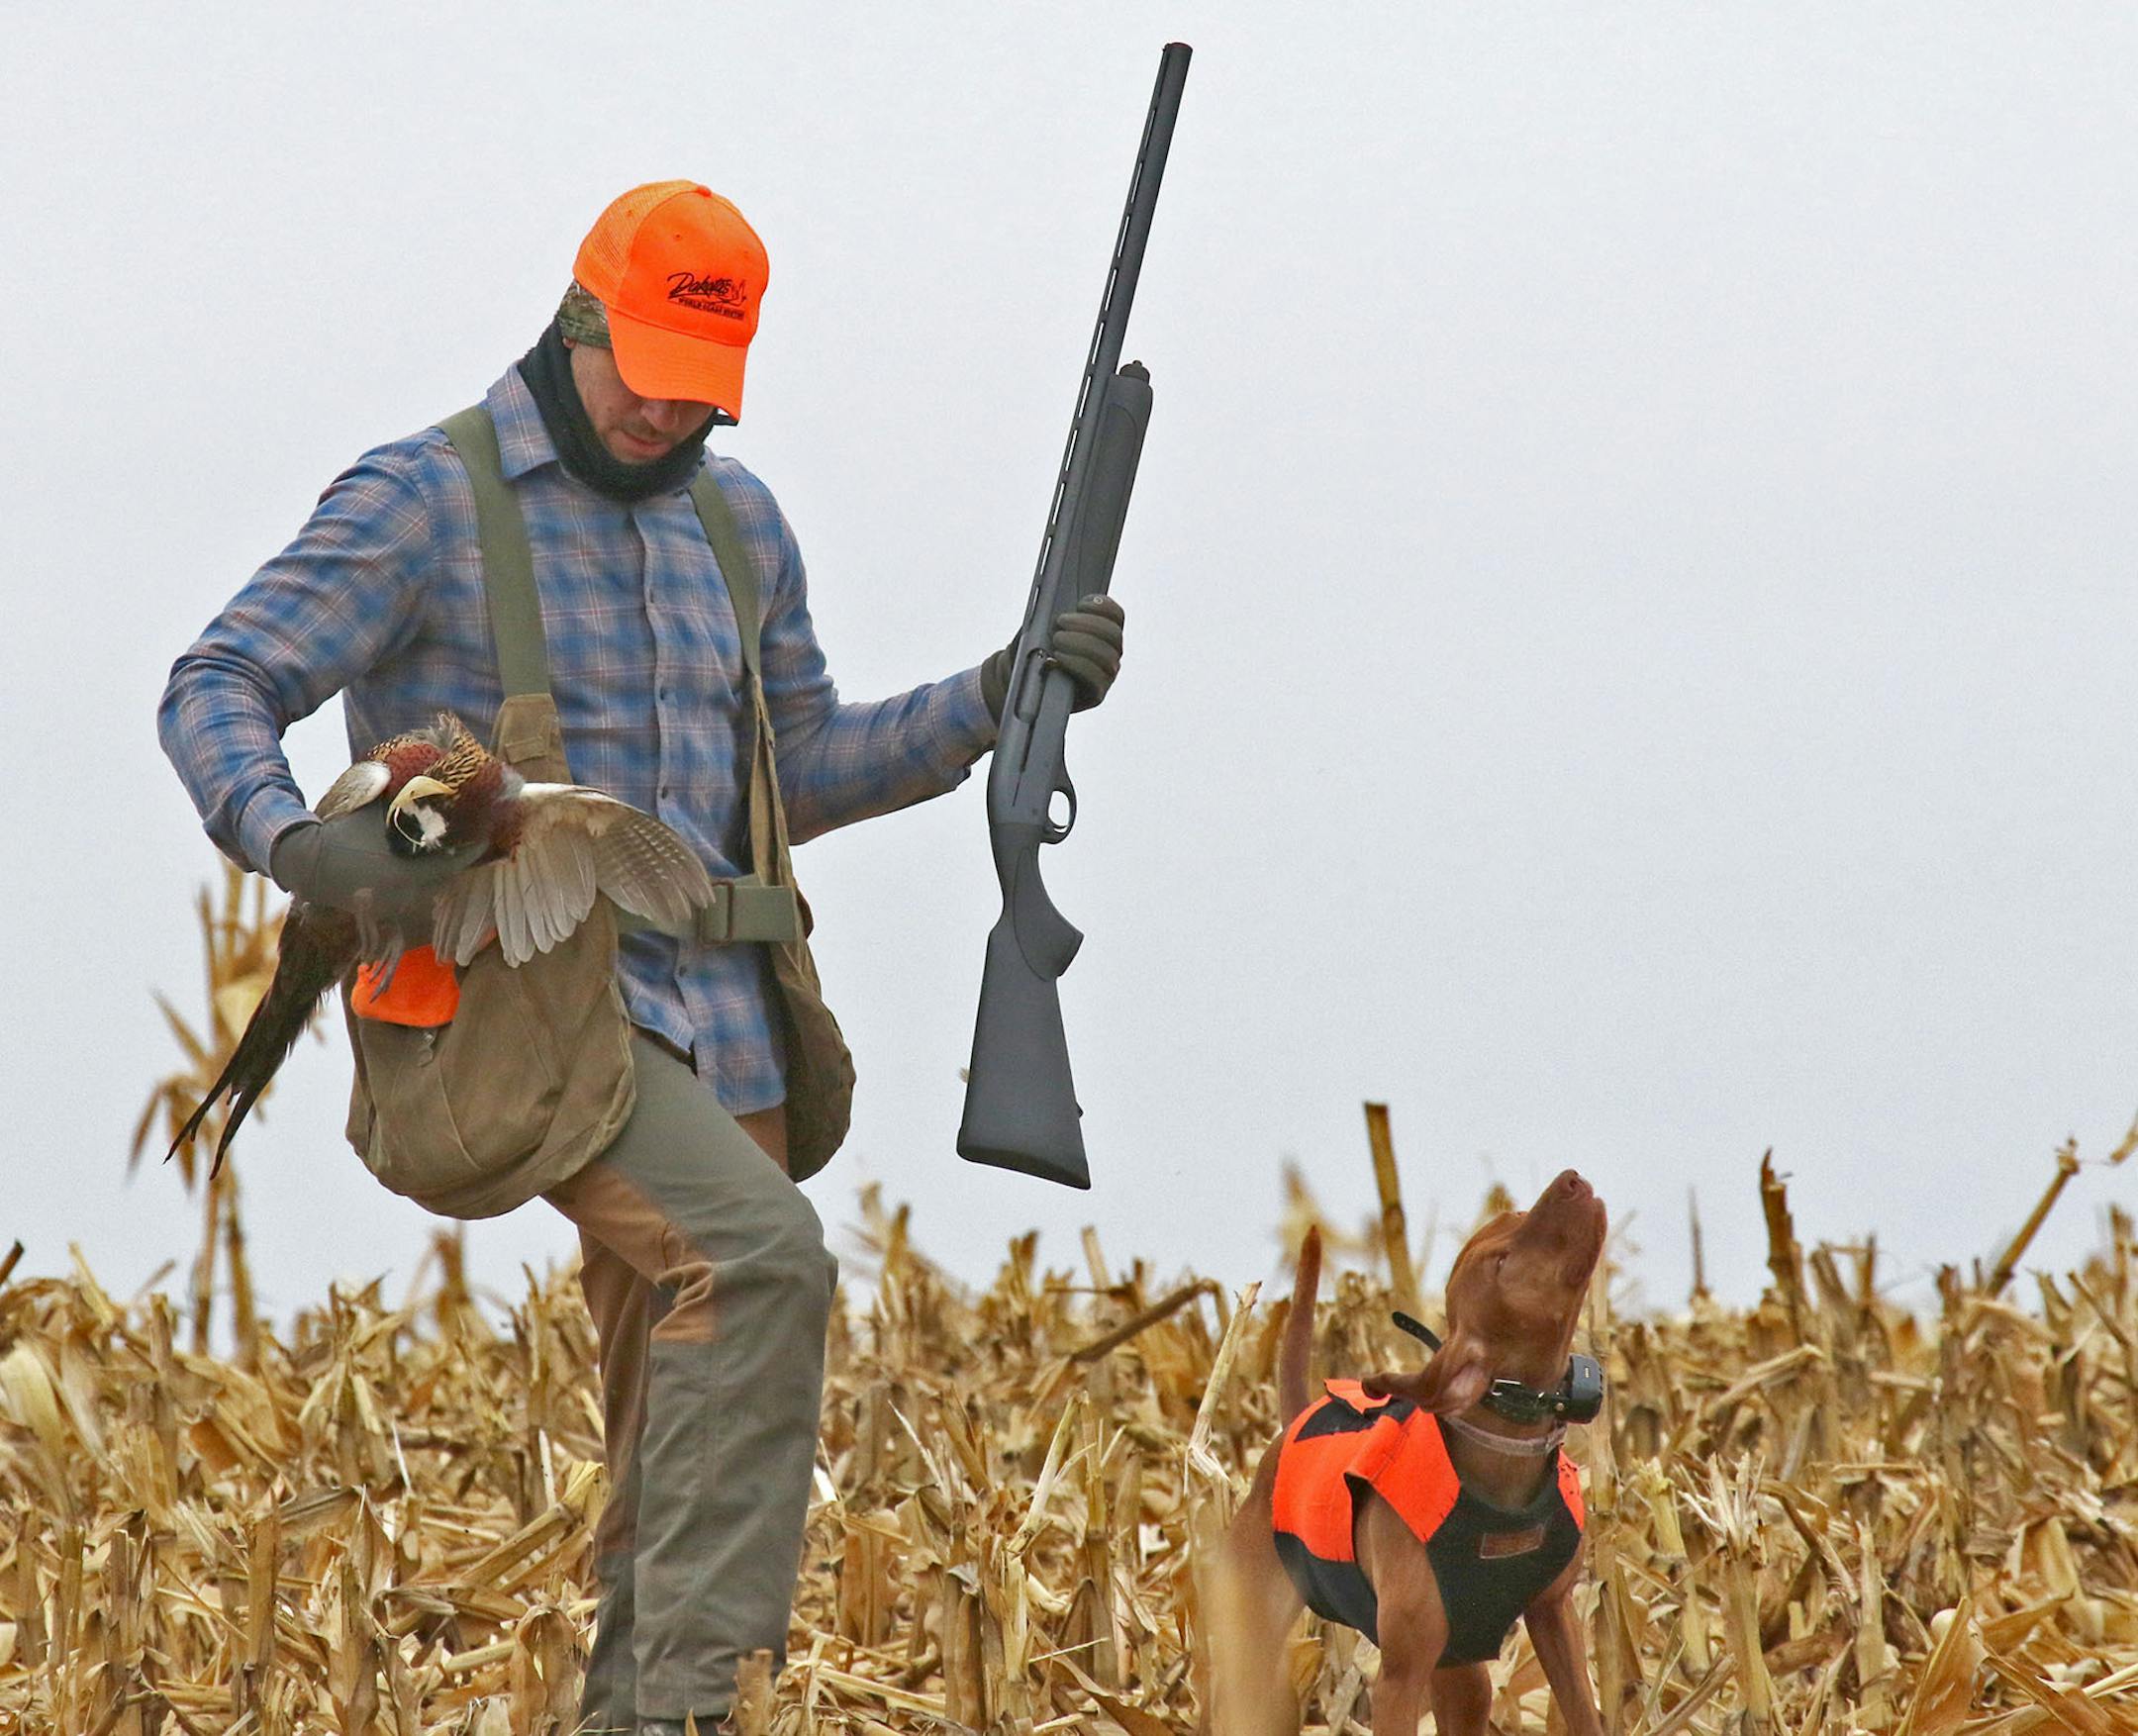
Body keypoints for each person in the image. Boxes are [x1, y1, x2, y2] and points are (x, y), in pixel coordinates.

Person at [157, 179, 1125, 1735]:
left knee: (682, 1406)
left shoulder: (738, 525)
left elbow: (793, 767)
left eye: (701, 398)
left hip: (726, 1022)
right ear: (579, 313)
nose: (668, 420)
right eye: (646, 382)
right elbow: (219, 677)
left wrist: (994, 697)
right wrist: (286, 837)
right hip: (524, 1014)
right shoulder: (426, 500)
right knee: (761, 1259)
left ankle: (630, 1706)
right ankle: (686, 1711)